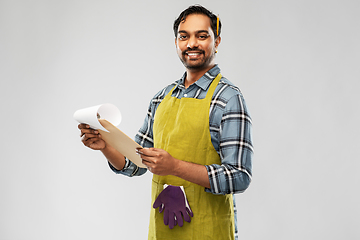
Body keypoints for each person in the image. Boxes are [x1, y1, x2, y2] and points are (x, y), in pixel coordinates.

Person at [78, 5, 253, 240]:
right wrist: (106, 146)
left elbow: (239, 176)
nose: (192, 43)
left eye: (202, 36)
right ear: (176, 42)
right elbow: (138, 162)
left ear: (217, 42)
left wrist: (175, 167)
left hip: (208, 230)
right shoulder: (161, 98)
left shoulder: (228, 99)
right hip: (163, 231)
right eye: (184, 36)